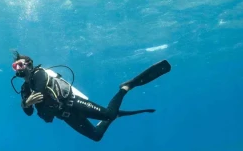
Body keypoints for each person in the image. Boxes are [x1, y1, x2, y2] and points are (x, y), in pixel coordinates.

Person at [13, 52, 171, 141]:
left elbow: (40, 88)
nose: (17, 68)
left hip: (74, 103)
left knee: (109, 114)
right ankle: (113, 114)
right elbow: (29, 112)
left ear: (29, 63)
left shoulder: (39, 73)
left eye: (19, 64)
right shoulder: (24, 88)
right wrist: (24, 104)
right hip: (65, 116)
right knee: (96, 136)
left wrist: (27, 102)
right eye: (14, 66)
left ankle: (125, 87)